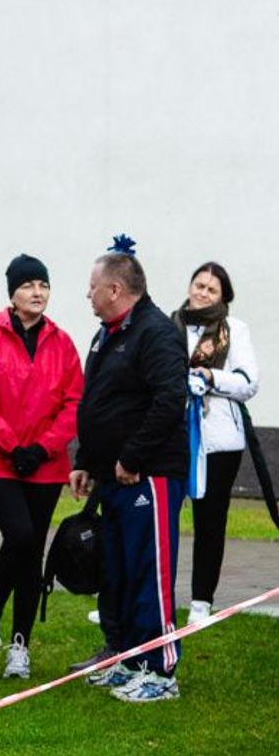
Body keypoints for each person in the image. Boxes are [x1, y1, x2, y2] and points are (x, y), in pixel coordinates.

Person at [72, 240, 188, 703]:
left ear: (115, 289)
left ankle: (160, 671)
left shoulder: (155, 333)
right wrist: (87, 461)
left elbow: (168, 400)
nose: (88, 295)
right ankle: (126, 657)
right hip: (112, 475)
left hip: (150, 476)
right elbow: (97, 402)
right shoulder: (108, 333)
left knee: (149, 572)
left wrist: (132, 458)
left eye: (93, 287)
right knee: (116, 571)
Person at [0, 254, 82, 680]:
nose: (37, 292)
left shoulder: (63, 343)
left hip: (45, 465)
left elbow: (73, 404)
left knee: (31, 552)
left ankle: (19, 645)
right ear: (12, 292)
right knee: (21, 534)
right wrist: (13, 445)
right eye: (29, 285)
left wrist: (43, 448)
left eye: (43, 285)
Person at [173, 262, 261, 623]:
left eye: (211, 289)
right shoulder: (169, 324)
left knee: (211, 521)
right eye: (199, 285)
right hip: (172, 436)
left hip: (219, 441)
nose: (203, 293)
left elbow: (248, 382)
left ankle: (201, 601)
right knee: (158, 518)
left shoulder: (234, 330)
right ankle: (149, 590)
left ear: (223, 296)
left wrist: (210, 377)